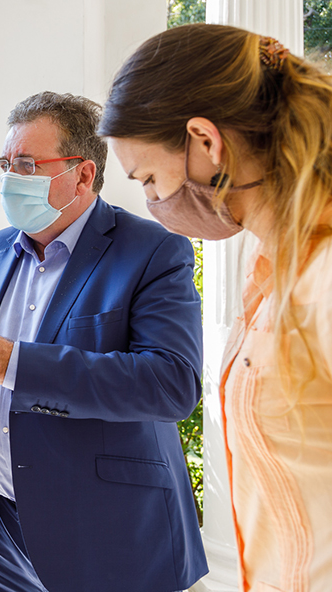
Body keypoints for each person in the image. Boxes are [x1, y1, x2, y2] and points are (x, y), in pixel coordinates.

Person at [0, 92, 208, 592]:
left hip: (108, 527)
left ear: (83, 175)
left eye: (27, 163)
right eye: (5, 163)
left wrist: (15, 362)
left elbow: (171, 384)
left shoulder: (154, 251)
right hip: (4, 522)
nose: (10, 177)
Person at [101, 23, 332, 592]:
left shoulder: (323, 279)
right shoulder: (270, 271)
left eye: (150, 178)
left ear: (205, 141)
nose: (154, 202)